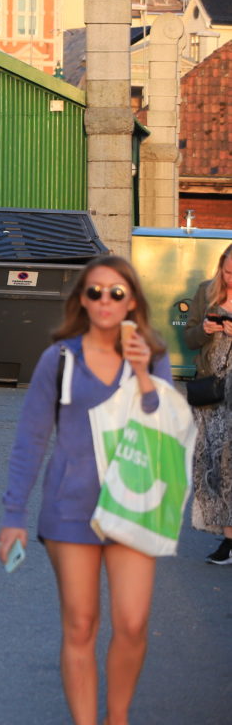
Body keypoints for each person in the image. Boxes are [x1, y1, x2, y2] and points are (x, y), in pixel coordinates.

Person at [0, 255, 174, 725]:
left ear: (132, 300)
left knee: (133, 624)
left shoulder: (154, 357)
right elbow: (31, 439)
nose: (105, 301)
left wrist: (140, 374)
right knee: (80, 624)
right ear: (81, 299)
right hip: (70, 509)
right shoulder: (59, 359)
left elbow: (165, 430)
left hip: (134, 507)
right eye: (94, 292)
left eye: (116, 292)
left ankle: (117, 717)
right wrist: (13, 515)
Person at [186, 242, 232, 565]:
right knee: (214, 467)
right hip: (211, 392)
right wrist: (204, 329)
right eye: (228, 272)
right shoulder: (205, 292)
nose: (231, 279)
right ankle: (228, 540)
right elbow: (188, 339)